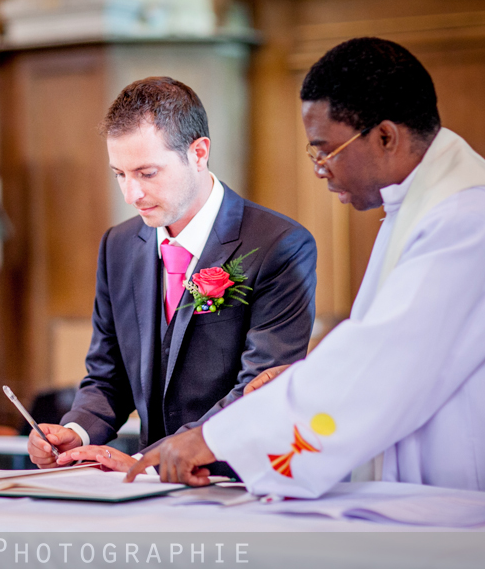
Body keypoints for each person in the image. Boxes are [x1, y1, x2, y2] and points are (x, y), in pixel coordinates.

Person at [126, 38, 485, 496]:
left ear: (386, 136)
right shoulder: (422, 206)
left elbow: (381, 365)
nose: (319, 169)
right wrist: (298, 379)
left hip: (457, 505)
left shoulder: (463, 220)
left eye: (325, 150)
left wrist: (217, 437)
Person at [28, 77, 317, 473]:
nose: (131, 195)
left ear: (198, 152)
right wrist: (76, 431)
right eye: (120, 174)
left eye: (147, 173)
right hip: (146, 495)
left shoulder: (279, 246)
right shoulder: (119, 245)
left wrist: (146, 462)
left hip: (237, 484)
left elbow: (259, 389)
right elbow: (107, 374)